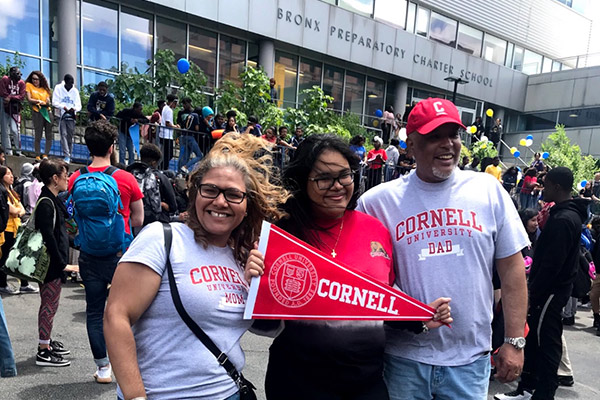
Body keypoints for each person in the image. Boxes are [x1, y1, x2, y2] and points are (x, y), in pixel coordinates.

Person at [357, 98, 529, 400]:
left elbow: (512, 269)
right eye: (434, 136)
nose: (447, 144)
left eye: (454, 134)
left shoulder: (487, 190)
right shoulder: (376, 203)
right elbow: (362, 277)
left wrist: (514, 342)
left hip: (470, 360)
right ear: (410, 145)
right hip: (403, 359)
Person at [260, 134, 451, 399]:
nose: (337, 186)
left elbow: (375, 303)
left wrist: (419, 317)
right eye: (323, 178)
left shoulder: (375, 230)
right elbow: (263, 326)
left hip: (365, 383)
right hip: (297, 382)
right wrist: (255, 283)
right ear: (303, 181)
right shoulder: (284, 233)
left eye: (344, 175)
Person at [104, 133, 289, 400]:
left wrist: (259, 289)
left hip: (227, 393)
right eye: (211, 190)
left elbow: (268, 329)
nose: (221, 202)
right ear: (195, 192)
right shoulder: (163, 239)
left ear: (247, 205)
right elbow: (116, 316)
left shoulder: (244, 256)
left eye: (234, 195)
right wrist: (135, 397)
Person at [496, 167, 588, 400]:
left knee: (546, 341)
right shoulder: (563, 215)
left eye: (545, 185)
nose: (540, 188)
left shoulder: (564, 219)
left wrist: (533, 292)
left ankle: (543, 392)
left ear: (557, 187)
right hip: (549, 290)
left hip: (550, 292)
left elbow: (551, 265)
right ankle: (528, 388)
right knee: (537, 341)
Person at [68, 120, 144, 383]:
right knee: (129, 309)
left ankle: (103, 368)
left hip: (89, 253)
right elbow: (138, 219)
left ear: (88, 147)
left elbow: (72, 215)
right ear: (113, 147)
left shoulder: (75, 178)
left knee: (94, 310)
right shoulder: (124, 178)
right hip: (121, 253)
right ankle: (133, 365)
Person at [34, 158, 71, 367]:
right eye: (64, 175)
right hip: (50, 265)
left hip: (53, 263)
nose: (67, 179)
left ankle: (46, 342)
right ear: (54, 178)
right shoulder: (46, 203)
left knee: (51, 304)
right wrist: (62, 263)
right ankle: (43, 350)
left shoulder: (52, 199)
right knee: (48, 305)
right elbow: (49, 237)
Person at [0, 166, 38, 294]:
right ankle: (2, 284)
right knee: (6, 257)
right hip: (8, 229)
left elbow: (20, 209)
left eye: (11, 173)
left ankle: (24, 283)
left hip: (17, 227)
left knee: (20, 256)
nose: (11, 176)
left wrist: (18, 211)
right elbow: (13, 210)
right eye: (8, 174)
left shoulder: (12, 191)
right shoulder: (2, 191)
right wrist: (17, 211)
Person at [126, 143, 177, 228]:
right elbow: (173, 207)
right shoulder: (161, 177)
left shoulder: (128, 174)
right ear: (154, 163)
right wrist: (162, 204)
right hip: (156, 224)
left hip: (132, 222)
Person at [52, 74, 81, 164]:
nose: (71, 86)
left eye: (72, 84)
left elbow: (79, 105)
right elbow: (54, 102)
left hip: (71, 116)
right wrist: (63, 107)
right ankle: (66, 155)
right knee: (63, 134)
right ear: (65, 82)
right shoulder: (58, 88)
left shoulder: (75, 91)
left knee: (70, 136)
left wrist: (74, 109)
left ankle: (69, 154)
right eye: (69, 84)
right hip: (61, 115)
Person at [25, 71, 53, 157]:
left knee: (49, 134)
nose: (35, 81)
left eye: (37, 79)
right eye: (33, 79)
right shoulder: (29, 86)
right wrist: (38, 101)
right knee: (38, 134)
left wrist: (46, 102)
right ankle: (37, 154)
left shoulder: (45, 89)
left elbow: (48, 101)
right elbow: (29, 99)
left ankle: (46, 154)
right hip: (37, 112)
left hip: (47, 112)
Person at [0, 67, 25, 156]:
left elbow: (22, 96)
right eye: (17, 74)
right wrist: (8, 98)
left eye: (19, 74)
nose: (19, 76)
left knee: (15, 130)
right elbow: (2, 92)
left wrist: (10, 98)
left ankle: (18, 151)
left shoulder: (21, 83)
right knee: (5, 130)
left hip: (15, 109)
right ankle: (8, 151)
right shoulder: (5, 79)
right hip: (4, 107)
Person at [176, 98, 203, 174]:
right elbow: (196, 128)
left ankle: (179, 172)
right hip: (190, 136)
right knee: (199, 155)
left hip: (184, 135)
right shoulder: (196, 116)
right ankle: (185, 167)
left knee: (185, 155)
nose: (184, 105)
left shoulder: (190, 115)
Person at [159, 94, 178, 170]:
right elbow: (168, 123)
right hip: (167, 135)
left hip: (164, 134)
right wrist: (175, 126)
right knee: (169, 154)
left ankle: (162, 167)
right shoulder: (169, 110)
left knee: (166, 154)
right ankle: (163, 168)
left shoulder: (165, 108)